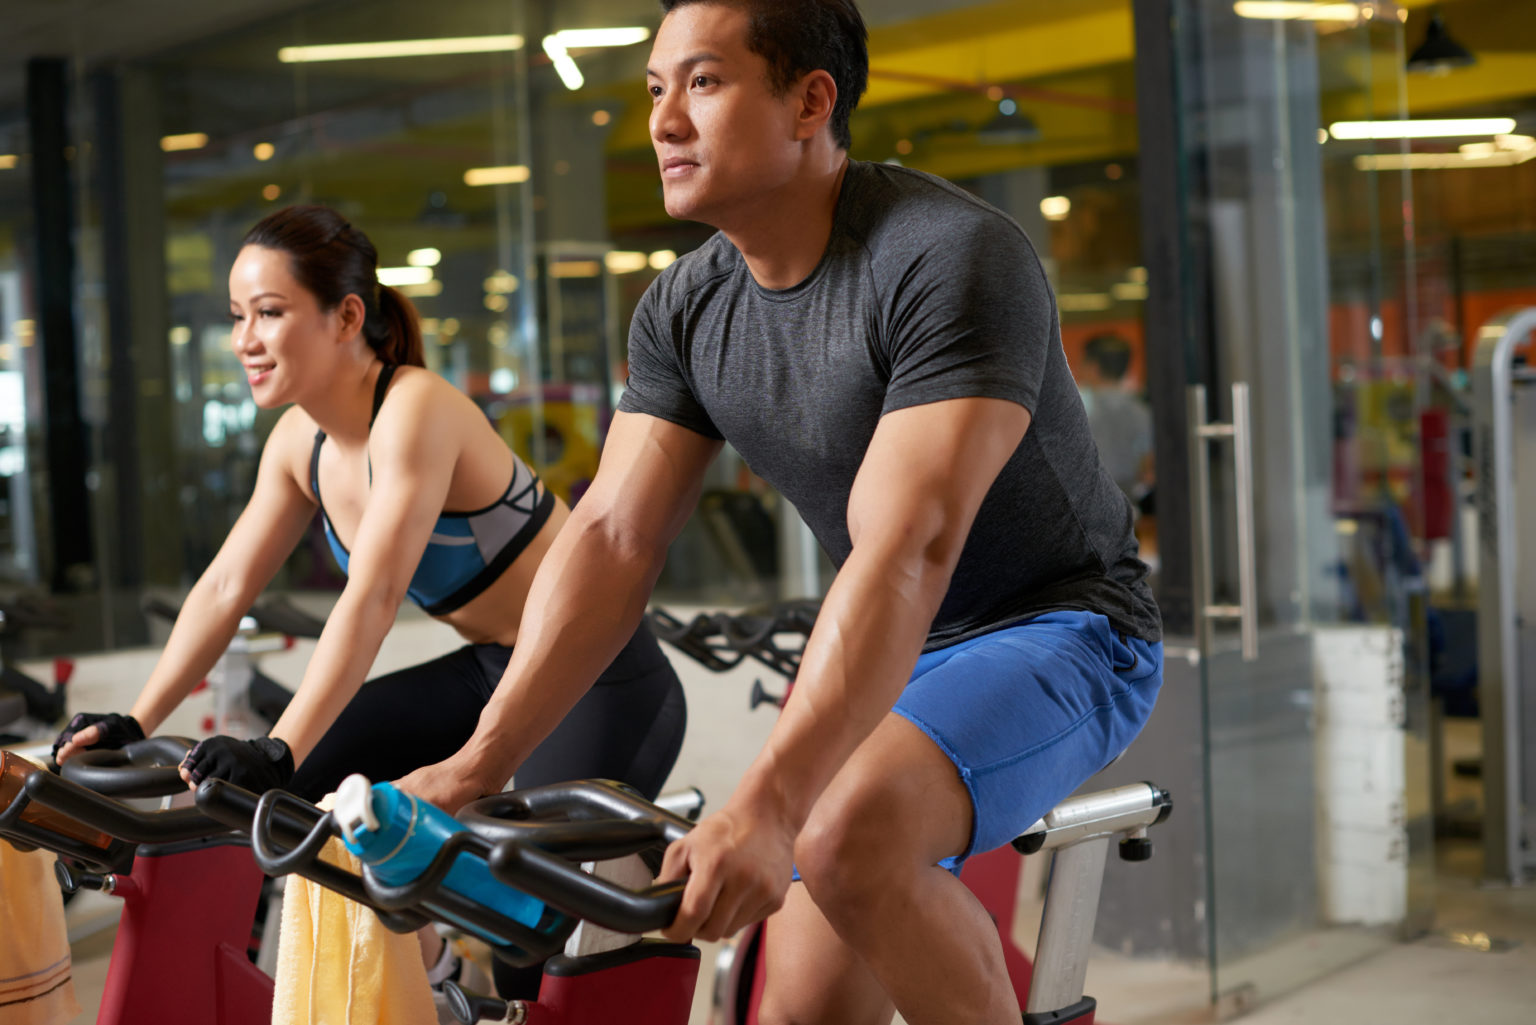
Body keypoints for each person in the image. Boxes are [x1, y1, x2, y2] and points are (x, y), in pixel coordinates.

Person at [398, 2, 1163, 1023]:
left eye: (705, 83)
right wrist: (477, 763)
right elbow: (613, 539)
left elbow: (909, 546)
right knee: (796, 1010)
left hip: (1063, 629)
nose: (665, 121)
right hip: (899, 649)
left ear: (812, 100)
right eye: (657, 89)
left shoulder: (948, 255)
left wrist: (766, 802)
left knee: (839, 838)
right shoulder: (684, 308)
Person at [51, 204, 687, 997]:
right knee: (307, 796)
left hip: (602, 678)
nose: (245, 338)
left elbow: (374, 595)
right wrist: (136, 719)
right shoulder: (299, 445)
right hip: (495, 668)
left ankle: (502, 985)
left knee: (530, 926)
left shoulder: (416, 408)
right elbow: (223, 586)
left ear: (347, 315)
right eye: (237, 317)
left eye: (270, 313)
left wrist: (274, 747)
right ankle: (442, 983)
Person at [1078, 332, 1154, 504]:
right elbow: (1147, 463)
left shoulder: (1078, 408)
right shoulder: (1141, 411)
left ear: (1093, 367)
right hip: (1128, 498)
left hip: (1086, 498)